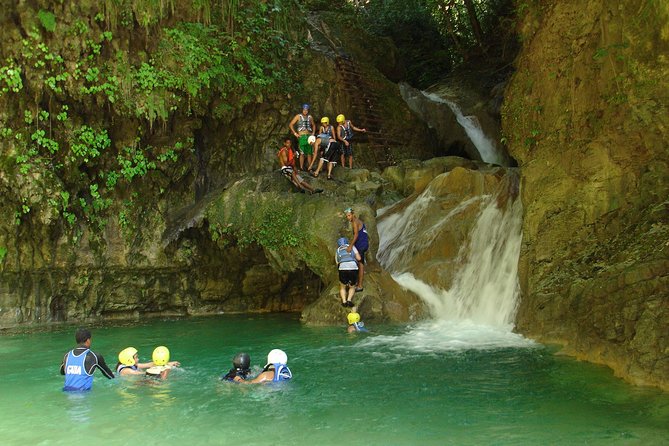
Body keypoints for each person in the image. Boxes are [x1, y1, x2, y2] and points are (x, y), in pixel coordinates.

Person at [344, 207, 369, 292]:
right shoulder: (357, 221)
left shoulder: (355, 222)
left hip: (361, 245)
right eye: (347, 216)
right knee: (358, 261)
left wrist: (350, 246)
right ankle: (356, 280)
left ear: (353, 214)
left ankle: (360, 286)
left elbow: (356, 235)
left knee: (360, 264)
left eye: (349, 215)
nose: (348, 217)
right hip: (362, 244)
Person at [288, 103, 315, 170]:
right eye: (304, 110)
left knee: (309, 152)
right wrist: (295, 133)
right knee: (302, 152)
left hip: (309, 136)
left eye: (306, 110)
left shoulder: (310, 117)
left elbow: (313, 125)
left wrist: (313, 133)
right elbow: (291, 124)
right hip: (301, 136)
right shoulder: (298, 116)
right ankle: (301, 167)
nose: (305, 111)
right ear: (302, 110)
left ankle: (310, 167)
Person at [336, 236, 361, 307]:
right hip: (353, 268)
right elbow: (359, 258)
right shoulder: (352, 247)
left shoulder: (338, 250)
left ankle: (344, 301)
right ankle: (349, 300)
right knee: (352, 286)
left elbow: (337, 263)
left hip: (342, 269)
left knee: (342, 287)